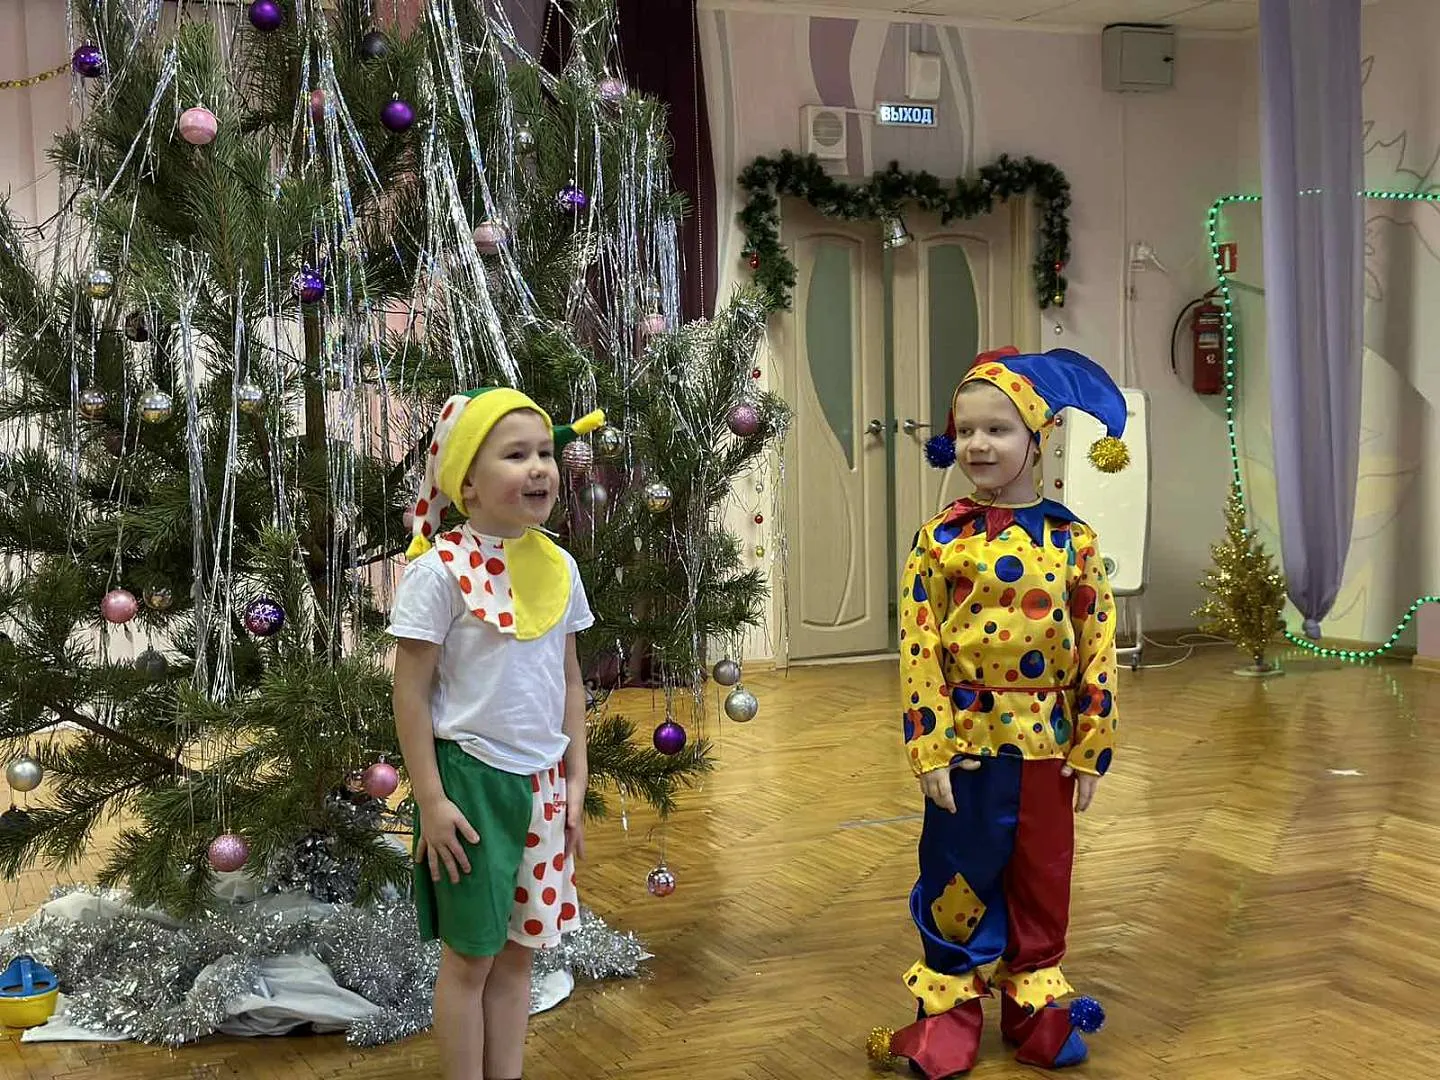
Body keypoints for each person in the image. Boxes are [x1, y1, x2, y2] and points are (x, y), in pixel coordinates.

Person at [869, 347, 1128, 1077]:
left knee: (1042, 878)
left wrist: (1091, 747)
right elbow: (919, 648)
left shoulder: (1073, 540)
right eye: (966, 430)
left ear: (1038, 440)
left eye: (998, 430)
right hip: (967, 748)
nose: (979, 445)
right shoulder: (940, 539)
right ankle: (948, 1018)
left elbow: (1098, 646)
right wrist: (930, 747)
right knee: (956, 878)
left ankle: (1036, 1008)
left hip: (1048, 747)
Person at [388, 386, 604, 1080]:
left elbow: (569, 678)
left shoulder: (560, 567)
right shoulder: (437, 574)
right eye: (516, 455)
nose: (539, 467)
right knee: (471, 959)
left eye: (544, 452)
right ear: (468, 484)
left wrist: (575, 778)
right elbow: (410, 694)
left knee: (518, 957)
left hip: (543, 786)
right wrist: (431, 800)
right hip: (472, 787)